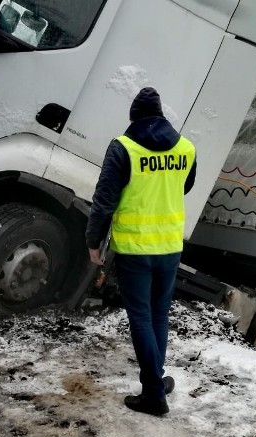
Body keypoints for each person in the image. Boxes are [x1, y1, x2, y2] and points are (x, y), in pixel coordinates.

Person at [86, 87, 196, 416]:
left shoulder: (124, 148)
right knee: (159, 315)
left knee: (141, 318)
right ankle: (156, 381)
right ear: (162, 117)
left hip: (135, 248)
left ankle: (152, 393)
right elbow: (185, 185)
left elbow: (104, 199)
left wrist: (94, 241)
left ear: (133, 118)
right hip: (170, 247)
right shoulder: (187, 148)